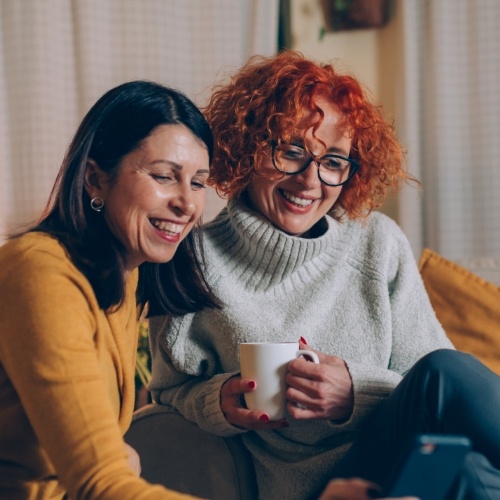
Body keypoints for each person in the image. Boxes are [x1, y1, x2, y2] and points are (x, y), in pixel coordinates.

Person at [148, 50, 500, 500]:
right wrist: (220, 403)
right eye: (292, 151)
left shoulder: (378, 243)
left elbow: (438, 398)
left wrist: (356, 392)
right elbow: (169, 390)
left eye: (334, 161)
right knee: (442, 374)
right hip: (314, 490)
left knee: (468, 463)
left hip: (404, 467)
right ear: (251, 146)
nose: (310, 181)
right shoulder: (192, 258)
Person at [0, 80, 222, 499]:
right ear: (95, 180)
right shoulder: (39, 271)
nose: (187, 203)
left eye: (198, 183)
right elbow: (100, 484)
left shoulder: (127, 278)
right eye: (163, 176)